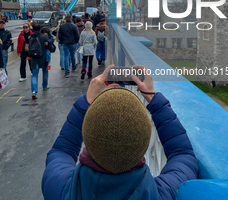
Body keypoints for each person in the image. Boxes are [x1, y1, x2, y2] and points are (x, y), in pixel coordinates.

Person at [42, 65, 199, 200]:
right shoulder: (163, 194)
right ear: (144, 140)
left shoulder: (59, 187)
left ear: (88, 135)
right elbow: (183, 154)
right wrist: (153, 99)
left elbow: (61, 151)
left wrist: (87, 102)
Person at [30, 23, 49, 99]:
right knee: (45, 71)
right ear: (40, 28)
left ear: (33, 29)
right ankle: (44, 86)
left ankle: (34, 91)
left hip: (34, 58)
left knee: (34, 74)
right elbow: (50, 47)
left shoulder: (31, 37)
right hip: (43, 57)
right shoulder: (44, 37)